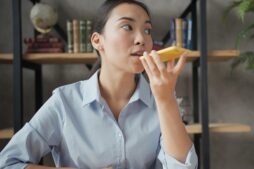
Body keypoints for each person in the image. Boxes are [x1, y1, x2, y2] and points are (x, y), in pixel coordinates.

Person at [0, 0, 198, 168]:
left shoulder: (161, 101)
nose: (142, 39)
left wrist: (165, 99)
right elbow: (8, 162)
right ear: (97, 40)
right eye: (127, 27)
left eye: (147, 30)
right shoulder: (64, 101)